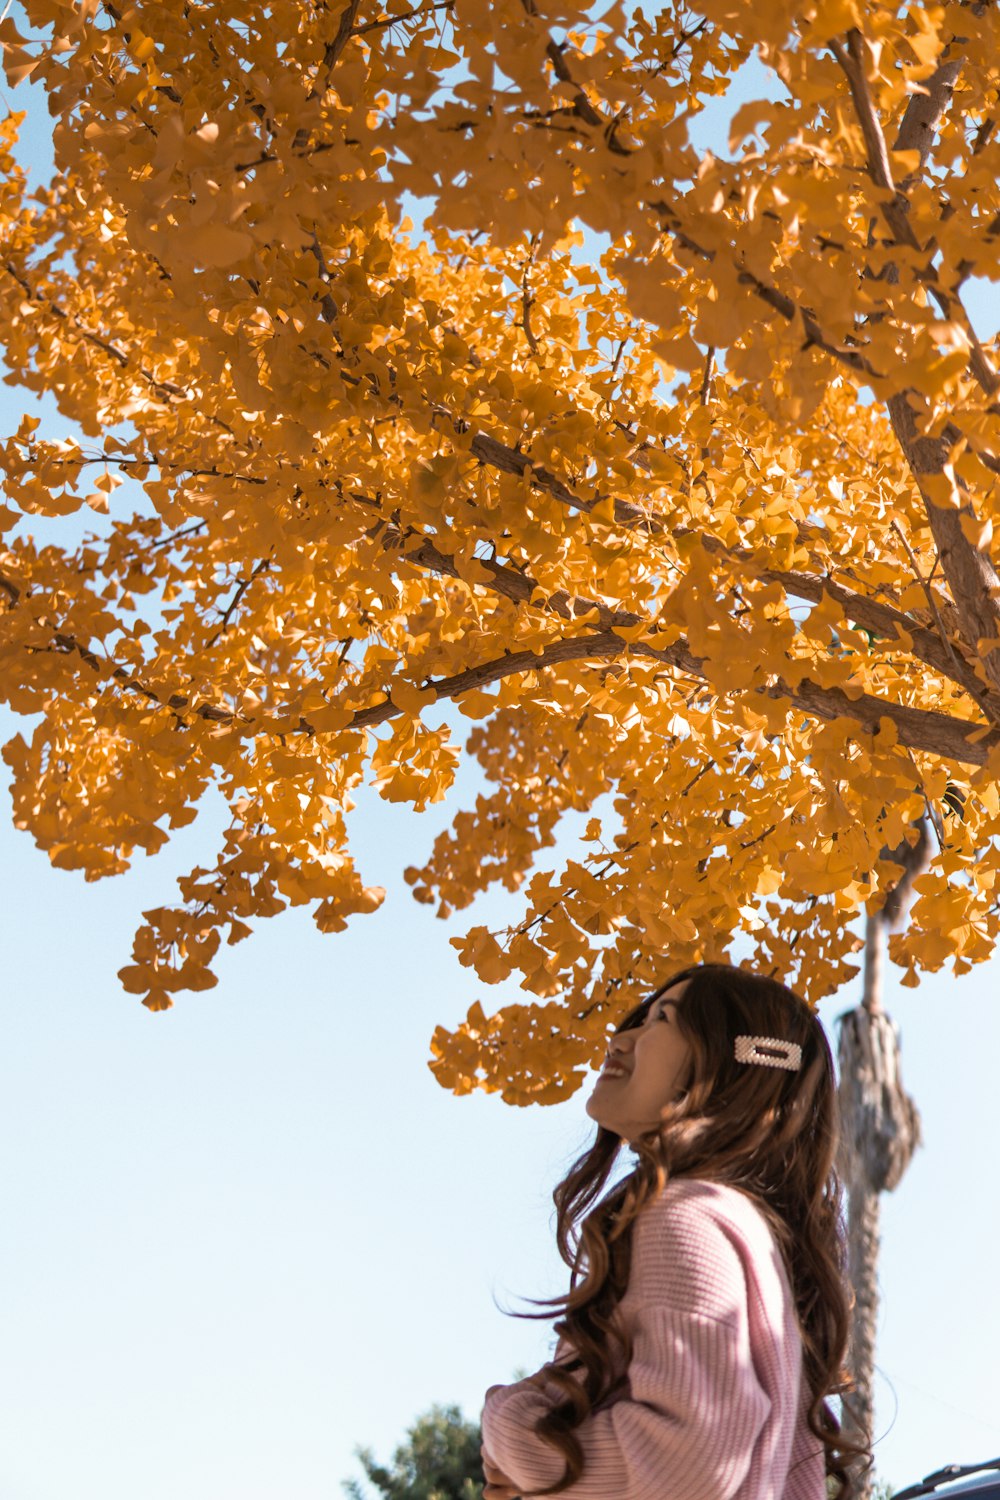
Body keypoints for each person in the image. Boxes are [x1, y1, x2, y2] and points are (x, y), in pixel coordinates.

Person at [479, 962, 867, 1499]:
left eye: (660, 1018)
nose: (619, 1039)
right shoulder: (745, 1238)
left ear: (731, 1065)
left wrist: (509, 1432)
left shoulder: (685, 1217)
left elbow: (686, 1465)